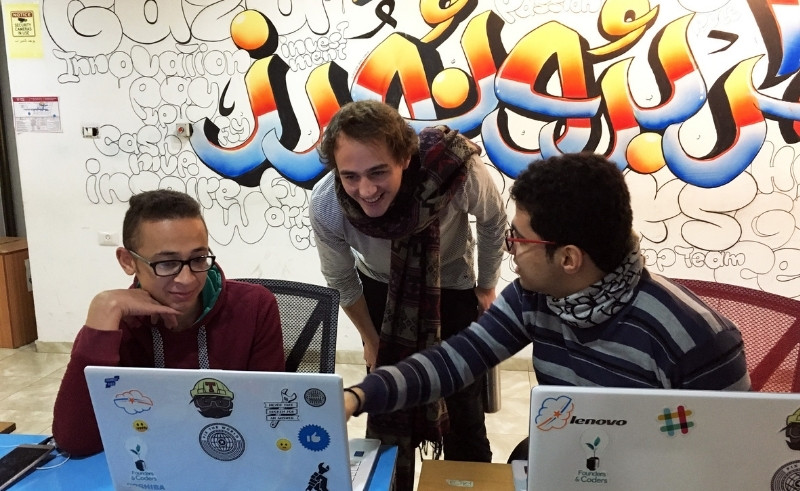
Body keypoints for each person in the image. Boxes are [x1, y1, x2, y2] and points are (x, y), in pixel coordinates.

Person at [342, 153, 752, 463]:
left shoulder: (698, 340)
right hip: (573, 462)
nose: (510, 250)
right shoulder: (534, 297)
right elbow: (455, 361)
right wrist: (357, 397)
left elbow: (732, 460)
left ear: (568, 259)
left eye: (518, 239)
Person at [310, 100, 507, 490]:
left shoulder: (457, 173)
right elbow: (341, 278)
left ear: (404, 158)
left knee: (463, 406)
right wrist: (370, 339)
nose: (366, 190)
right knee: (388, 403)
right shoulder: (327, 203)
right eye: (350, 176)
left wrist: (486, 286)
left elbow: (493, 221)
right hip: (380, 292)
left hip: (450, 286)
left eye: (378, 172)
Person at [52, 190, 285, 456]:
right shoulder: (118, 324)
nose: (186, 279)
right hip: (148, 459)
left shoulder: (254, 306)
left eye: (198, 259)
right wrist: (103, 309)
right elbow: (75, 441)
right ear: (128, 261)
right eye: (166, 263)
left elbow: (268, 418)